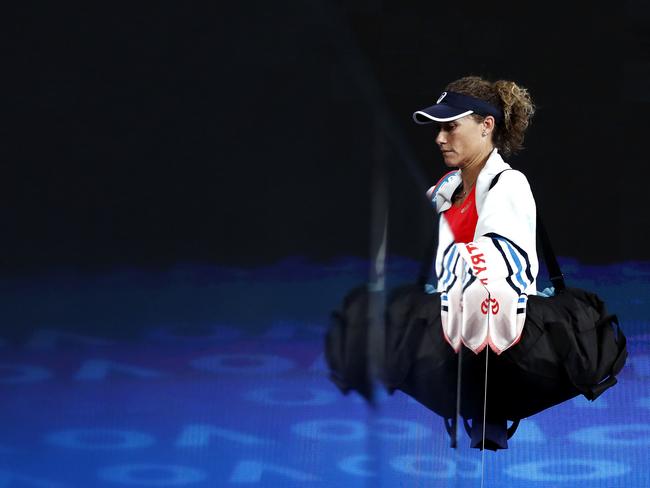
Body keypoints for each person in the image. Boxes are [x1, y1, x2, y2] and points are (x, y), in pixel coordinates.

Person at [325, 75, 626, 451]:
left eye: (451, 127)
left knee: (473, 299)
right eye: (438, 129)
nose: (440, 138)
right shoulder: (446, 190)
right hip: (462, 337)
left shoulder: (509, 185)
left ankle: (490, 409)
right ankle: (478, 405)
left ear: (487, 126)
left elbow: (497, 278)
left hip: (507, 350)